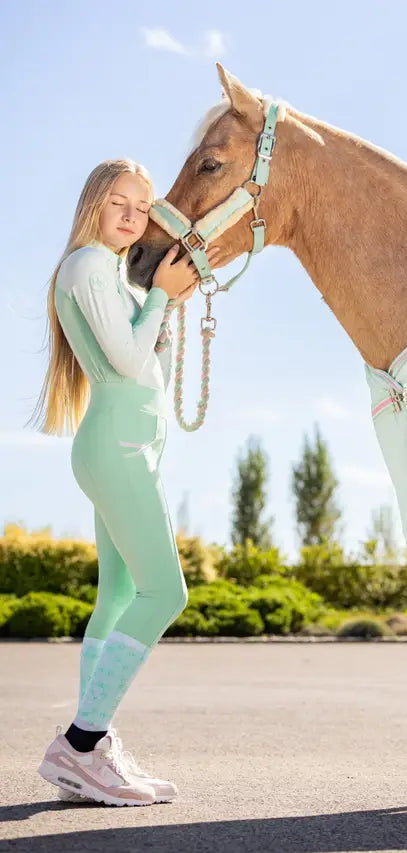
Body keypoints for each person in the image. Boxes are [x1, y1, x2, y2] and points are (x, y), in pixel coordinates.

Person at [28, 159, 219, 807]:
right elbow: (126, 360)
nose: (134, 215)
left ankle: (95, 747)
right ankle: (80, 746)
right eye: (121, 202)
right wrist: (162, 295)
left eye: (144, 205)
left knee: (117, 598)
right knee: (167, 591)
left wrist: (166, 298)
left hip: (130, 448)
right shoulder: (85, 266)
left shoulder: (108, 275)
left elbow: (148, 365)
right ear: (93, 204)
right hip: (117, 450)